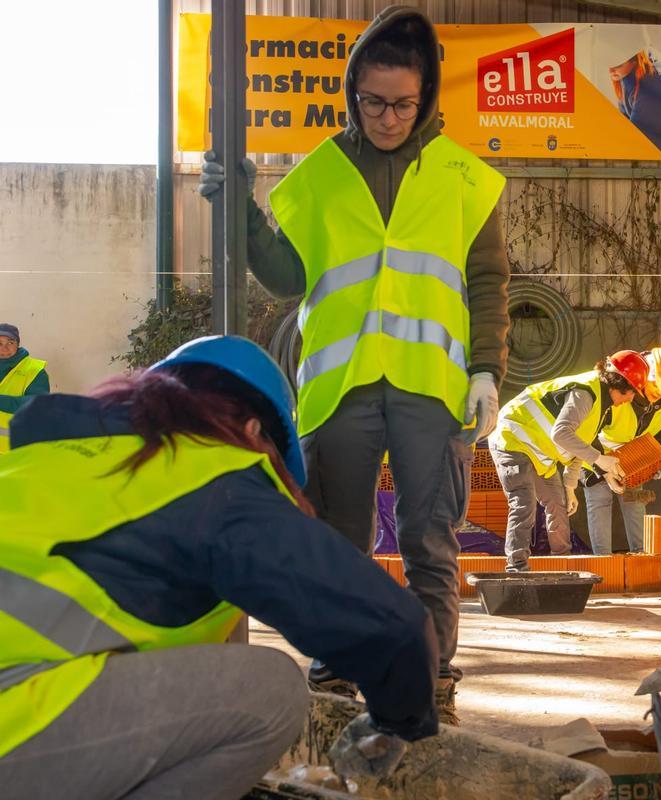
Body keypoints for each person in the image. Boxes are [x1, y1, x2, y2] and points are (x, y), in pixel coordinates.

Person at [198, 6, 509, 722]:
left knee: (430, 542)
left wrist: (486, 371)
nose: (388, 118)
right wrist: (241, 209)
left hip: (433, 387)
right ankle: (337, 673)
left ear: (426, 96)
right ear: (352, 92)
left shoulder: (466, 178)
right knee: (339, 542)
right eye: (373, 102)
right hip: (340, 387)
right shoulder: (322, 173)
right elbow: (286, 276)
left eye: (403, 104)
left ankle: (431, 680)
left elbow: (490, 282)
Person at [0, 336, 438, 799]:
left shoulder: (45, 456)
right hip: (14, 717)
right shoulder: (212, 476)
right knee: (269, 690)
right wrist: (394, 724)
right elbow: (395, 629)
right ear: (253, 429)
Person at [489, 351, 650, 572]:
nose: (631, 399)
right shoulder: (585, 394)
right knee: (523, 503)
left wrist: (571, 486)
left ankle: (561, 565)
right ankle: (516, 568)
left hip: (540, 455)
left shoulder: (601, 406)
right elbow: (561, 433)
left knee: (559, 505)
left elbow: (579, 445)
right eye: (633, 393)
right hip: (513, 441)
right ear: (621, 385)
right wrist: (600, 459)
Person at [581, 346, 661, 554]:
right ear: (648, 371)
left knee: (635, 505)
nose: (659, 392)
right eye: (656, 385)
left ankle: (641, 558)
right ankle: (603, 564)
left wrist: (654, 461)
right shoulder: (618, 382)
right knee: (599, 503)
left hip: (632, 459)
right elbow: (586, 430)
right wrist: (601, 465)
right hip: (596, 454)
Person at [0, 323, 49, 454]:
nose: (4, 348)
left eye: (10, 343)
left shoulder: (33, 370)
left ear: (18, 344)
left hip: (14, 451)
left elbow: (38, 404)